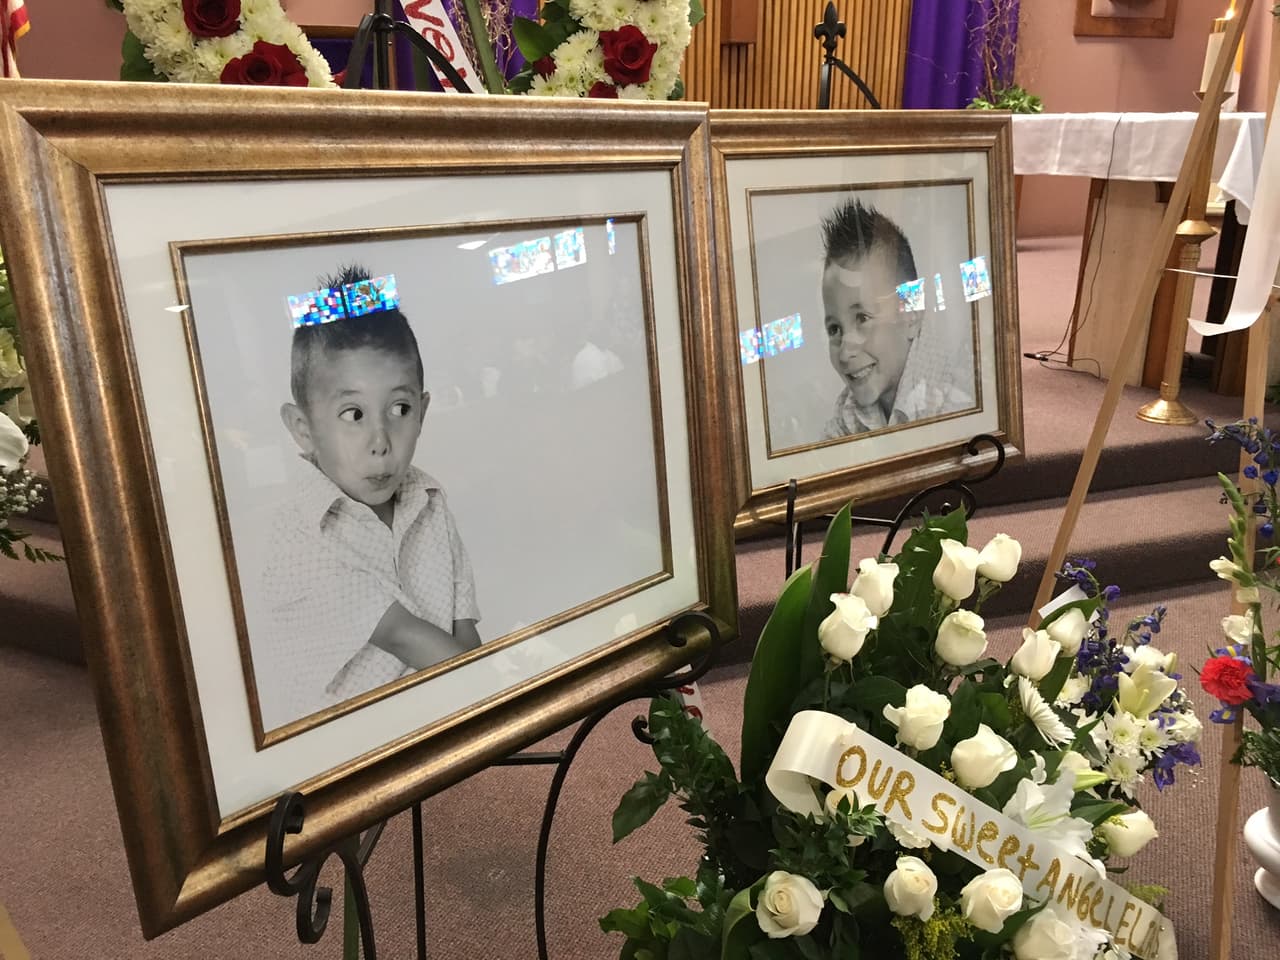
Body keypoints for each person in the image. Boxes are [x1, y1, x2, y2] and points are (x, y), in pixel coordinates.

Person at [259, 265, 480, 728]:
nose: (380, 439)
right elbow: (404, 636)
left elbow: (464, 630)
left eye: (399, 409)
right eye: (353, 413)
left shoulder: (429, 497)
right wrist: (501, 690)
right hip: (339, 754)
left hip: (433, 720)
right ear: (303, 429)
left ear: (422, 412)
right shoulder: (297, 533)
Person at [819, 197, 974, 439]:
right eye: (835, 329)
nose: (845, 352)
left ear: (911, 312)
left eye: (862, 318)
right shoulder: (850, 407)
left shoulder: (955, 402)